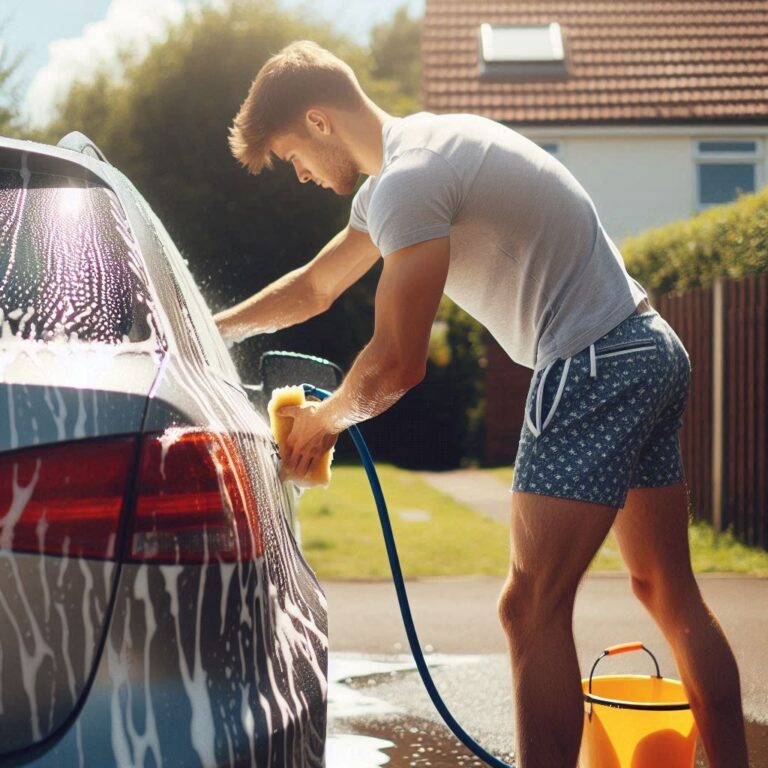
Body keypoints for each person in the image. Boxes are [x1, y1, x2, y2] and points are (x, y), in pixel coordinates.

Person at [214, 40, 749, 768]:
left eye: (290, 155)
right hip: (648, 348)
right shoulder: (412, 166)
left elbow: (399, 364)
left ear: (318, 118)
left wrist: (326, 419)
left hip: (591, 358)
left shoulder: (411, 178)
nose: (301, 175)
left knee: (528, 607)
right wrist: (210, 331)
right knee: (665, 586)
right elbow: (313, 288)